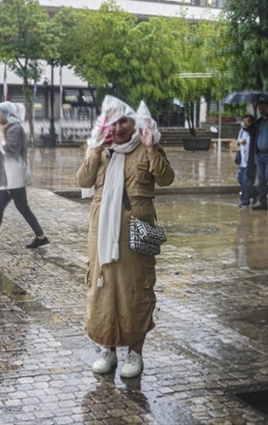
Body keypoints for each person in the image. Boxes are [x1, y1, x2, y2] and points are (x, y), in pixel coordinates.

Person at [75, 96, 174, 379]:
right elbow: (82, 181)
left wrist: (151, 147)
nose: (118, 127)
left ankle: (135, 353)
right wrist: (95, 150)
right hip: (101, 231)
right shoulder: (101, 149)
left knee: (135, 290)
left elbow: (166, 178)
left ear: (134, 123)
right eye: (113, 122)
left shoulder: (145, 146)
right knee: (102, 287)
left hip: (136, 230)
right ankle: (107, 349)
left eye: (124, 122)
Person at [0, 101, 48, 251]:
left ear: (7, 113)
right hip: (9, 177)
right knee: (22, 207)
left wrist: (1, 134)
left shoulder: (15, 128)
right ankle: (41, 237)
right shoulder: (6, 128)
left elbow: (8, 150)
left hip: (12, 177)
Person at [235, 114, 254, 207]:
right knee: (241, 180)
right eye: (245, 121)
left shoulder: (254, 131)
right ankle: (254, 194)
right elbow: (237, 141)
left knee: (246, 181)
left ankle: (245, 201)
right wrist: (240, 141)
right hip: (242, 160)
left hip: (250, 161)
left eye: (248, 121)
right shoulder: (242, 130)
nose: (246, 123)